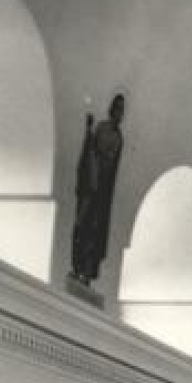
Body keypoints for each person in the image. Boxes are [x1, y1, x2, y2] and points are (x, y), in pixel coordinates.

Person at [69, 93, 127, 287]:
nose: (120, 114)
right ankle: (77, 267)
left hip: (103, 191)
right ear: (113, 110)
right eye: (118, 109)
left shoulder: (119, 138)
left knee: (95, 232)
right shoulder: (101, 128)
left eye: (122, 110)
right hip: (91, 186)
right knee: (82, 225)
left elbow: (113, 166)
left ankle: (87, 271)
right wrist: (87, 130)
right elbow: (90, 151)